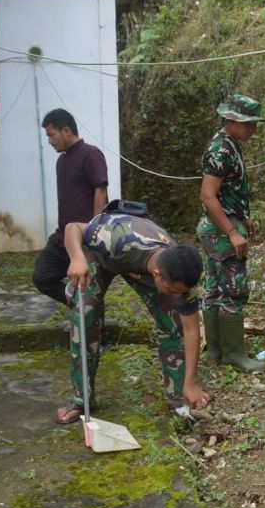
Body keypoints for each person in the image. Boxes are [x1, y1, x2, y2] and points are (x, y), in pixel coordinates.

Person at [56, 206, 211, 423]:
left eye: (180, 292)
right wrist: (76, 258)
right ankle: (82, 400)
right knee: (85, 314)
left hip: (140, 266)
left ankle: (178, 398)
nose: (178, 295)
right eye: (172, 290)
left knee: (173, 321)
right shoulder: (116, 236)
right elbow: (73, 228)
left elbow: (191, 329)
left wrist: (191, 382)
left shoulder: (180, 272)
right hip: (101, 254)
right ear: (157, 275)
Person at [197, 94, 265, 374]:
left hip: (219, 226)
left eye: (254, 124)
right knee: (234, 292)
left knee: (214, 289)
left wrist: (243, 217)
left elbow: (228, 191)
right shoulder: (221, 151)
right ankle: (234, 355)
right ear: (231, 120)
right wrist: (231, 231)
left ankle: (215, 352)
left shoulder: (228, 145)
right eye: (248, 124)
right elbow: (208, 196)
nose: (253, 129)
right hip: (221, 230)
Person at [33, 108, 108, 306]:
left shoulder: (90, 154)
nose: (49, 141)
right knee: (42, 276)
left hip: (84, 237)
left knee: (88, 285)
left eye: (51, 134)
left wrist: (94, 232)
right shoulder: (62, 161)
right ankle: (79, 305)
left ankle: (88, 311)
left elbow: (100, 190)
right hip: (63, 237)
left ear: (66, 130)